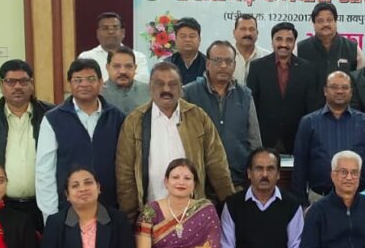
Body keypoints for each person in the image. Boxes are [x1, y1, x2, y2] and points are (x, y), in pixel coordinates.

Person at [116, 61, 235, 222]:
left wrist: (231, 208)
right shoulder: (134, 121)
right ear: (150, 87)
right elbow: (125, 175)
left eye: (172, 84)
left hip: (192, 214)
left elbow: (217, 166)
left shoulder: (197, 117)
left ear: (181, 88)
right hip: (150, 216)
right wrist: (130, 219)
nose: (166, 89)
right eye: (160, 84)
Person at [35, 58, 125, 223]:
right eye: (78, 80)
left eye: (91, 79)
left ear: (101, 82)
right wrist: (51, 216)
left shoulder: (116, 117)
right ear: (69, 83)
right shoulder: (53, 119)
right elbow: (45, 171)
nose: (84, 84)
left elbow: (125, 165)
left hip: (109, 207)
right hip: (68, 210)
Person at [292, 70, 365, 203]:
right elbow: (300, 164)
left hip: (359, 198)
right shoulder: (309, 122)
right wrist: (301, 202)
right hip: (319, 198)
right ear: (325, 91)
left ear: (351, 92)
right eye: (334, 87)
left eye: (344, 87)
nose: (339, 91)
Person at [183, 40, 262, 188]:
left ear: (234, 65)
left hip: (237, 179)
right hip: (199, 181)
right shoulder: (189, 93)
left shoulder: (245, 95)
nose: (223, 66)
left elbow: (254, 140)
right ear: (208, 64)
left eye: (228, 61)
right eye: (217, 61)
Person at [0, 59, 53, 231]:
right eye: (10, 81)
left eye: (23, 81)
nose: (17, 86)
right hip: (3, 206)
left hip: (43, 205)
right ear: (1, 85)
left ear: (32, 84)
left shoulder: (51, 115)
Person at [247, 22, 319, 154]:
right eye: (279, 39)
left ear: (294, 43)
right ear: (272, 41)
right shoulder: (257, 67)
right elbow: (251, 105)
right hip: (264, 137)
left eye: (289, 40)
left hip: (297, 137)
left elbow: (312, 108)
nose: (283, 44)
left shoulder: (308, 69)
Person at [296, 2, 364, 104]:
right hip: (310, 109)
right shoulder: (300, 49)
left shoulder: (353, 48)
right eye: (320, 21)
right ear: (314, 24)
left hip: (344, 109)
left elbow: (361, 84)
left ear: (335, 21)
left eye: (329, 20)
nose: (325, 24)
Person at [79, 11, 149, 83]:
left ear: (123, 32)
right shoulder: (86, 57)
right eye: (105, 28)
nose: (111, 31)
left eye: (115, 27)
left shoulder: (138, 57)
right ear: (98, 33)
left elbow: (143, 81)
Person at [100, 45, 150, 114]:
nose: (122, 71)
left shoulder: (149, 91)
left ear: (135, 68)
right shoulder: (98, 93)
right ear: (107, 67)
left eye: (128, 66)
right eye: (117, 66)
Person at [233, 13, 270, 85]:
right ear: (234, 32)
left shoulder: (267, 57)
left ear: (257, 33)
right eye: (243, 29)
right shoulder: (225, 56)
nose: (248, 33)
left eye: (252, 29)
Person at [168, 16, 207, 85]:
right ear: (176, 39)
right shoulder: (167, 63)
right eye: (183, 36)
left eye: (192, 36)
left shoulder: (209, 65)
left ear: (199, 39)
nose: (187, 40)